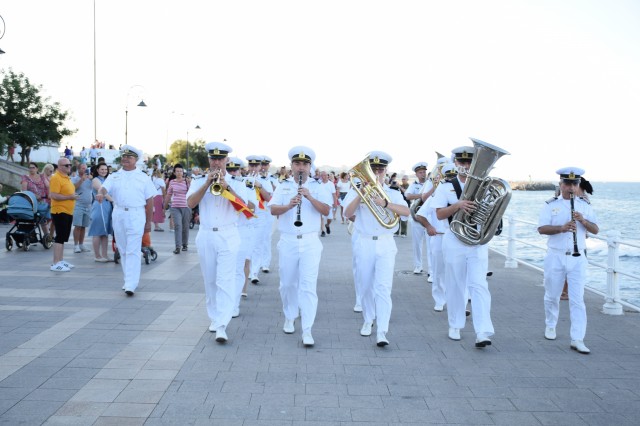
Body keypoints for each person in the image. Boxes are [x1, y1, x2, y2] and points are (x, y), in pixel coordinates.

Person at [343, 151, 410, 347]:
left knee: (383, 288)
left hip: (385, 242)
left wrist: (386, 204)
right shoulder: (357, 190)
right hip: (364, 241)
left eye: (380, 169)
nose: (377, 172)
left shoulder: (394, 192)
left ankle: (382, 330)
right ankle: (367, 319)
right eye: (373, 169)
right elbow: (347, 213)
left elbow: (406, 213)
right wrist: (361, 195)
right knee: (364, 285)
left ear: (386, 171)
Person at [269, 146, 332, 347]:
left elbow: (326, 210)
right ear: (291, 166)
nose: (301, 167)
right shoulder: (284, 185)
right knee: (287, 283)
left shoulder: (319, 186)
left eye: (305, 164)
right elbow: (272, 210)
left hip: (311, 241)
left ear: (310, 166)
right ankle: (290, 315)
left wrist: (310, 197)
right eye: (297, 164)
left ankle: (307, 329)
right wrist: (289, 205)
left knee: (308, 286)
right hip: (288, 239)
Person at [431, 145, 494, 348]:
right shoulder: (445, 186)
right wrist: (458, 205)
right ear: (455, 163)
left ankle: (483, 331)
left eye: (469, 162)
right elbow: (439, 214)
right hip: (455, 239)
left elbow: (492, 212)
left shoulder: (485, 185)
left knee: (479, 285)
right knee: (456, 284)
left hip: (476, 241)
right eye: (462, 162)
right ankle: (455, 324)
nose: (465, 166)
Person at [187, 141, 247, 343]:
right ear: (209, 160)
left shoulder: (238, 182)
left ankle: (222, 324)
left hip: (228, 235)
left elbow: (244, 209)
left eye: (221, 159)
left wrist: (226, 187)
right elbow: (190, 203)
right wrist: (206, 184)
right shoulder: (198, 181)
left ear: (227, 160)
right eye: (213, 159)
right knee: (210, 280)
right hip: (206, 234)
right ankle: (214, 317)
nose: (217, 162)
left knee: (225, 280)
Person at [538, 167, 599, 355]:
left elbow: (595, 229)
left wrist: (583, 221)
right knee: (552, 295)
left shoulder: (585, 206)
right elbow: (541, 229)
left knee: (578, 300)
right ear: (561, 184)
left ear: (578, 185)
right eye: (567, 184)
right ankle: (550, 324)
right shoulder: (550, 205)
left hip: (578, 256)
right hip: (555, 255)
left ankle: (577, 338)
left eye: (574, 184)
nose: (571, 187)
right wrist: (561, 228)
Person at [95, 145, 156, 296]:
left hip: (136, 214)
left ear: (136, 160)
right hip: (119, 213)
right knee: (122, 248)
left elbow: (150, 201)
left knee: (133, 249)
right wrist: (100, 193)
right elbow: (104, 188)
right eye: (124, 156)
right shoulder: (115, 175)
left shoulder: (143, 177)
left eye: (129, 157)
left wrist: (148, 222)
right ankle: (128, 279)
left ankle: (131, 283)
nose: (125, 159)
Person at [415, 163, 456, 312]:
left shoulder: (460, 198)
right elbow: (420, 215)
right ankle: (439, 300)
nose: (452, 180)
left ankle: (459, 300)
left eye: (454, 177)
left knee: (458, 270)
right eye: (449, 177)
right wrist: (429, 227)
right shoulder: (435, 197)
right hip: (439, 237)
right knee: (438, 272)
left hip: (457, 238)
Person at [225, 157, 257, 314]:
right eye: (229, 170)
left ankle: (235, 303)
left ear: (240, 170)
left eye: (234, 170)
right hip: (226, 230)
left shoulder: (246, 184)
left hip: (243, 230)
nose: (232, 172)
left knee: (239, 268)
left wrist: (232, 192)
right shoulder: (218, 182)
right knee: (225, 270)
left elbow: (252, 206)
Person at [246, 155, 273, 284]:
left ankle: (254, 272)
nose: (254, 168)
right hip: (246, 215)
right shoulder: (242, 179)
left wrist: (259, 185)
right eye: (251, 165)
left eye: (256, 166)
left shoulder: (265, 180)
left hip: (261, 214)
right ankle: (247, 268)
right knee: (247, 244)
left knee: (258, 243)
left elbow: (268, 198)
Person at [49, 157, 78, 272]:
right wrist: (70, 197)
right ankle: (55, 262)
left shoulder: (67, 178)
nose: (69, 167)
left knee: (63, 237)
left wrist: (72, 196)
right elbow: (53, 195)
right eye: (66, 165)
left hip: (68, 211)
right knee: (60, 237)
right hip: (59, 211)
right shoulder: (56, 178)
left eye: (70, 165)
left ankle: (60, 260)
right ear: (59, 166)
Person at [405, 162, 430, 275]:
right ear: (416, 174)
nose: (423, 174)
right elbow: (408, 195)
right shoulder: (414, 185)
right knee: (417, 243)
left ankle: (431, 269)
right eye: (420, 172)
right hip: (417, 215)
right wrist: (422, 196)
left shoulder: (430, 183)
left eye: (424, 172)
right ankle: (418, 266)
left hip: (429, 216)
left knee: (431, 244)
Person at [88, 162, 113, 262]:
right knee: (97, 231)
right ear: (97, 170)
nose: (104, 171)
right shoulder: (95, 180)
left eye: (105, 169)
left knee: (105, 232)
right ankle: (97, 256)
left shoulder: (107, 179)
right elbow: (102, 191)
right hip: (100, 205)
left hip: (107, 206)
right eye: (102, 169)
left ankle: (105, 255)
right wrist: (113, 201)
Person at [164, 163, 191, 253]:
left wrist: (190, 183)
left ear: (183, 172)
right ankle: (177, 247)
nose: (179, 173)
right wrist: (164, 206)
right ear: (174, 173)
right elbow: (168, 194)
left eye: (181, 171)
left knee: (185, 226)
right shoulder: (172, 182)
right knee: (178, 226)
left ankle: (185, 244)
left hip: (186, 206)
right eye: (177, 171)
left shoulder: (186, 181)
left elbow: (191, 193)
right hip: (175, 207)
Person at [21, 162, 51, 236]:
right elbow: (24, 191)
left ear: (37, 168)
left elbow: (48, 186)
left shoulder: (42, 176)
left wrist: (50, 194)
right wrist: (34, 195)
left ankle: (47, 235)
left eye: (33, 167)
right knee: (40, 218)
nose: (31, 169)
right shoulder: (25, 178)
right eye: (30, 167)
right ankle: (46, 234)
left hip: (43, 201)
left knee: (43, 218)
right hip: (31, 201)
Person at [71, 163, 94, 253]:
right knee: (78, 226)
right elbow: (73, 188)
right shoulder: (74, 179)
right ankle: (76, 245)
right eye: (83, 168)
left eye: (86, 168)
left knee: (84, 226)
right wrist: (81, 180)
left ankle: (81, 244)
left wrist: (91, 179)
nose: (85, 170)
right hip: (78, 205)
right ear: (79, 169)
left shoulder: (90, 179)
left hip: (88, 206)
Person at [318, 170, 337, 237]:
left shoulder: (331, 184)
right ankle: (323, 231)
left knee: (330, 218)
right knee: (321, 218)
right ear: (320, 176)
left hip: (329, 204)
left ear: (327, 176)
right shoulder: (318, 184)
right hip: (320, 203)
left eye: (325, 175)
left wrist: (335, 203)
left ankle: (327, 225)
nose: (323, 177)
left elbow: (334, 194)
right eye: (322, 175)